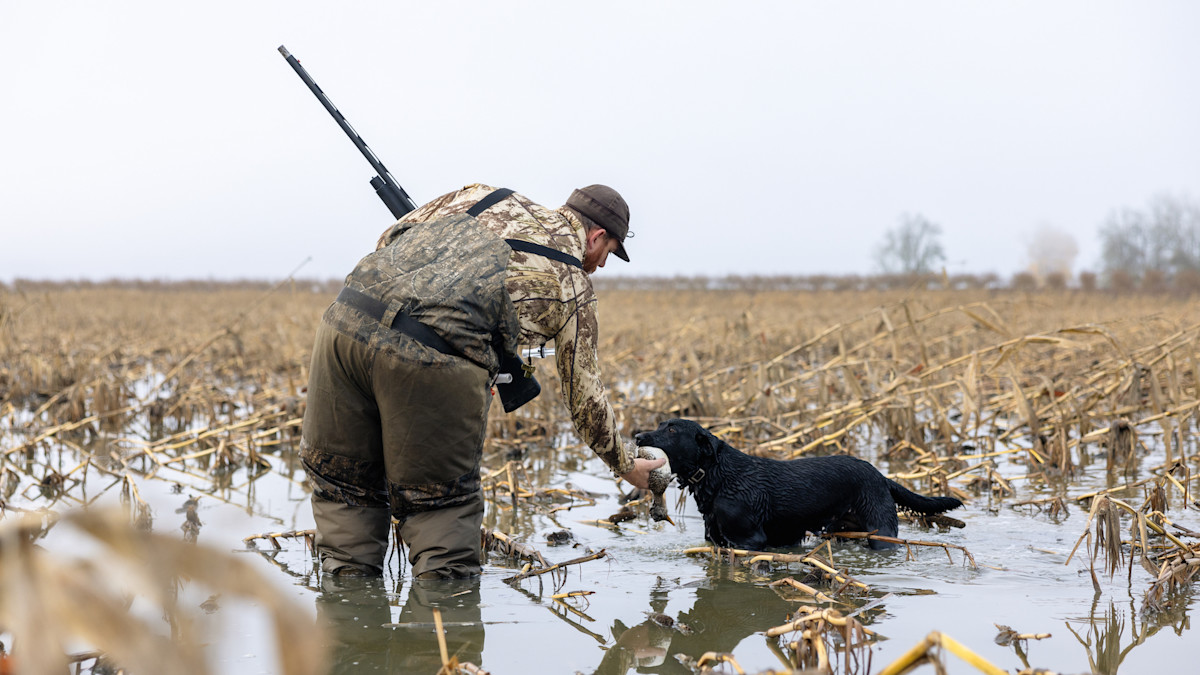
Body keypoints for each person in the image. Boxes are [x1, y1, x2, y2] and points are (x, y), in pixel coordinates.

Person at [300, 183, 665, 579]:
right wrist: (626, 465)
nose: (601, 265)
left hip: (342, 328)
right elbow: (585, 400)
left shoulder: (485, 195)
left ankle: (348, 620)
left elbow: (391, 237)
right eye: (608, 252)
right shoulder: (574, 284)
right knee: (442, 521)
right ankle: (441, 625)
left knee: (345, 497)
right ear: (595, 236)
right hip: (432, 364)